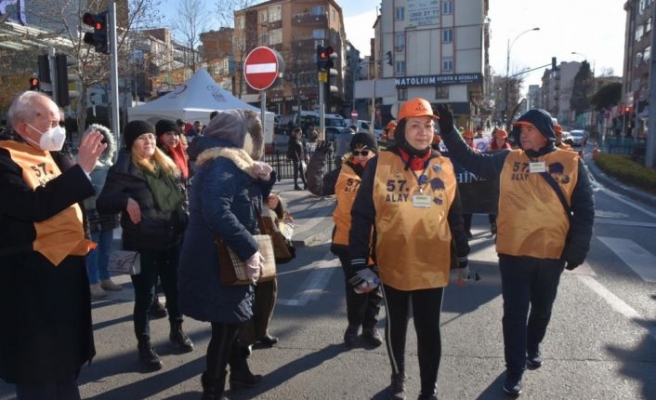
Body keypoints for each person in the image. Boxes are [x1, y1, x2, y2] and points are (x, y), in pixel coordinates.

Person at [438, 106, 594, 396]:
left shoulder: (571, 162)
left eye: (529, 129)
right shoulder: (508, 159)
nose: (523, 134)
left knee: (543, 308)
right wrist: (449, 132)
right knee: (513, 313)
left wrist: (577, 249)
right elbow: (472, 160)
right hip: (513, 253)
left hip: (551, 254)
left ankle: (532, 344)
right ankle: (515, 369)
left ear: (545, 133)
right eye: (521, 130)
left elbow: (584, 210)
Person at [349, 98, 472, 400]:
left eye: (428, 125)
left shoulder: (444, 165)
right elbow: (362, 214)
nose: (422, 132)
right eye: (415, 125)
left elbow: (455, 215)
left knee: (430, 329)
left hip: (432, 265)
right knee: (397, 325)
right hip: (393, 264)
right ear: (402, 129)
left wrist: (464, 256)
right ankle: (398, 376)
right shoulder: (380, 163)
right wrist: (357, 261)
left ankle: (428, 389)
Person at [0, 91, 106, 399]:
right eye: (50, 122)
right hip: (29, 283)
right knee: (38, 373)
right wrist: (81, 171)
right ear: (23, 126)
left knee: (64, 368)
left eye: (60, 121)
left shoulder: (55, 157)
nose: (58, 128)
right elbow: (32, 205)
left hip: (65, 276)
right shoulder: (4, 159)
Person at [177, 109, 275, 399]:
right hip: (219, 258)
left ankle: (239, 374)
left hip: (218, 255)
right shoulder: (224, 164)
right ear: (236, 137)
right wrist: (250, 249)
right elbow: (216, 210)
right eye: (251, 135)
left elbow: (248, 199)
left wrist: (263, 178)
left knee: (231, 320)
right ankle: (213, 386)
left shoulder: (227, 163)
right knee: (227, 324)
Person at [96, 120, 193, 371]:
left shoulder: (166, 164)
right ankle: (145, 346)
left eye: (151, 137)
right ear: (131, 143)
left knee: (174, 291)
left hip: (172, 238)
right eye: (142, 138)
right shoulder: (123, 169)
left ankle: (177, 331)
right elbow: (103, 202)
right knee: (145, 297)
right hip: (141, 243)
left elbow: (182, 197)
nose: (149, 141)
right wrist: (125, 199)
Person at [307, 133, 383, 348]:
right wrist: (318, 157)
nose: (359, 157)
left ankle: (370, 327)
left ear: (375, 152)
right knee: (357, 286)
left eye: (364, 152)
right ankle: (353, 327)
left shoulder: (385, 171)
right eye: (356, 152)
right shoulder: (342, 171)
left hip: (377, 241)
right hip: (347, 241)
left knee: (375, 286)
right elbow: (316, 187)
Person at [83, 123, 122, 299]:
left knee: (106, 247)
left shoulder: (108, 162)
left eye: (103, 141)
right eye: (95, 140)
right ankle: (93, 282)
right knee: (92, 249)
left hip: (108, 210)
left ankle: (105, 277)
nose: (100, 144)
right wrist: (97, 190)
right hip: (91, 212)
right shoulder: (81, 161)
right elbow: (79, 187)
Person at [485, 129, 512, 235]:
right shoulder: (489, 149)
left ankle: (500, 224)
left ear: (505, 140)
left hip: (503, 181)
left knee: (501, 204)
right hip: (492, 181)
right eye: (498, 139)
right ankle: (493, 223)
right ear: (495, 139)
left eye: (502, 139)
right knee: (491, 203)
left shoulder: (508, 151)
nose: (500, 141)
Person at [155, 119, 190, 184]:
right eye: (168, 134)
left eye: (176, 134)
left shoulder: (181, 153)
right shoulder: (156, 157)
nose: (173, 137)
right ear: (160, 137)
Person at [460, 129, 476, 239]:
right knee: (459, 209)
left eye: (468, 138)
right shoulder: (456, 150)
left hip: (470, 184)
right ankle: (460, 231)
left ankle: (467, 229)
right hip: (459, 183)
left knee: (469, 209)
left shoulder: (475, 151)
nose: (466, 140)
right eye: (465, 138)